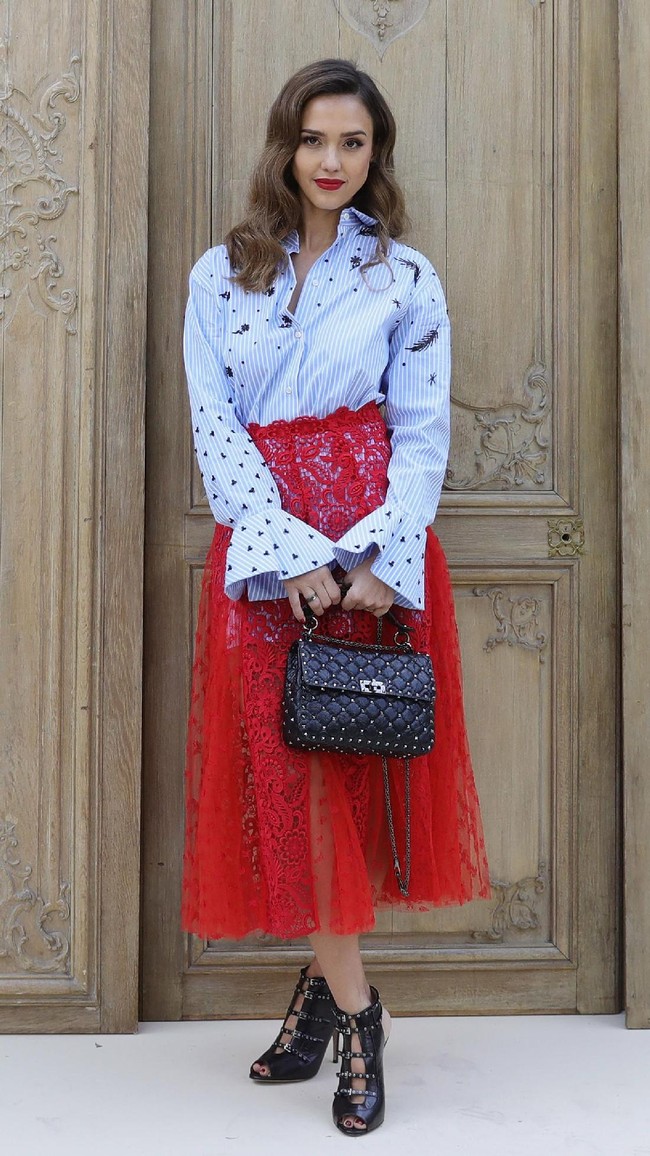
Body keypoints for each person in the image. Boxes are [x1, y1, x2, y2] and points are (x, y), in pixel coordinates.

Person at [181, 58, 490, 1136]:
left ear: (374, 155)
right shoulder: (219, 277)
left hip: (371, 561)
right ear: (284, 146)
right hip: (270, 566)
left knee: (343, 785)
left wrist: (372, 562)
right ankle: (361, 1017)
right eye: (315, 140)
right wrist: (287, 553)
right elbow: (216, 428)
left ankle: (323, 1003)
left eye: (352, 143)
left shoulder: (404, 278)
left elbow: (418, 435)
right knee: (290, 788)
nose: (330, 162)